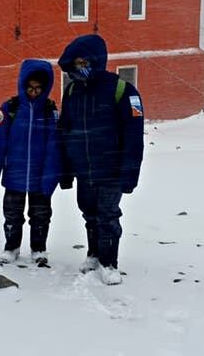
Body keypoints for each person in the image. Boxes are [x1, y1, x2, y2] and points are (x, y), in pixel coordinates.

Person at [56, 34, 144, 285]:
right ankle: (93, 254)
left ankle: (109, 263)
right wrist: (66, 171)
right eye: (75, 63)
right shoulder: (72, 91)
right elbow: (65, 130)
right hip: (84, 170)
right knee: (89, 213)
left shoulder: (122, 91)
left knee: (107, 215)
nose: (78, 67)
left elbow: (133, 135)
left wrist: (130, 173)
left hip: (111, 169)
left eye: (83, 62)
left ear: (96, 60)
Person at [0, 59, 60, 266]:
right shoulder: (10, 108)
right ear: (23, 85)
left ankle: (39, 248)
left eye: (38, 88)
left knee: (41, 215)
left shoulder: (50, 111)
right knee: (12, 215)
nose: (34, 92)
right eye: (30, 87)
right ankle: (12, 247)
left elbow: (56, 147)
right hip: (14, 174)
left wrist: (52, 177)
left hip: (40, 176)